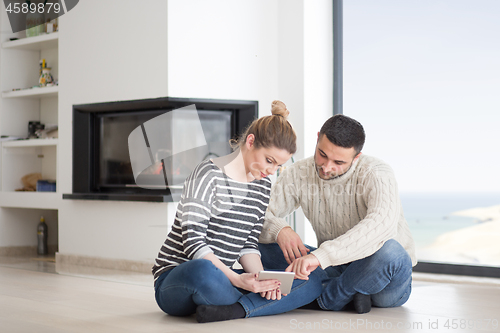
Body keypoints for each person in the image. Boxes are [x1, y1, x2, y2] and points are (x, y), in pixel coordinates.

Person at [152, 101, 323, 323]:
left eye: (277, 166)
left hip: (225, 277)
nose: (271, 171)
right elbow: (193, 243)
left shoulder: (262, 187)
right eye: (269, 161)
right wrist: (239, 281)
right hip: (180, 277)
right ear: (250, 141)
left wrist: (262, 279)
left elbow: (248, 243)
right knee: (202, 271)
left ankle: (236, 308)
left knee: (313, 279)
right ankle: (260, 304)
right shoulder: (207, 174)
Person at [258, 114, 417, 314]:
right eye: (322, 154)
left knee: (391, 251)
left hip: (381, 277)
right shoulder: (297, 173)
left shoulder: (377, 173)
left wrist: (320, 256)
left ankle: (323, 300)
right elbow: (257, 215)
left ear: (356, 157)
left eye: (339, 162)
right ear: (317, 138)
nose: (326, 167)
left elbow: (380, 226)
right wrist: (280, 229)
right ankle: (349, 292)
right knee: (258, 242)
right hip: (335, 267)